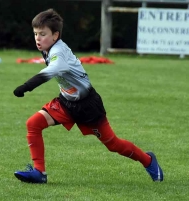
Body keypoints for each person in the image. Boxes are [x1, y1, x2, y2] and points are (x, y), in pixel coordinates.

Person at [13, 8, 163, 184]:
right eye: (36, 34)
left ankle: (148, 160)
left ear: (55, 35)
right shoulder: (48, 47)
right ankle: (39, 173)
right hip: (66, 102)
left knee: (113, 144)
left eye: (42, 34)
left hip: (88, 106)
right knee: (33, 123)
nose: (38, 38)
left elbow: (49, 72)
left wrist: (25, 87)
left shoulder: (58, 53)